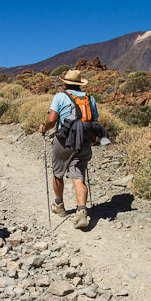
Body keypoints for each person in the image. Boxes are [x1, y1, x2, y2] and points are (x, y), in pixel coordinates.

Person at [39, 69, 100, 229]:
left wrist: (44, 128)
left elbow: (52, 119)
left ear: (65, 82)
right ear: (80, 84)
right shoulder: (89, 98)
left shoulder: (60, 96)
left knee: (57, 173)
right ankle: (81, 212)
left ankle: (59, 206)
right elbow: (95, 120)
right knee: (78, 177)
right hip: (84, 141)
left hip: (64, 141)